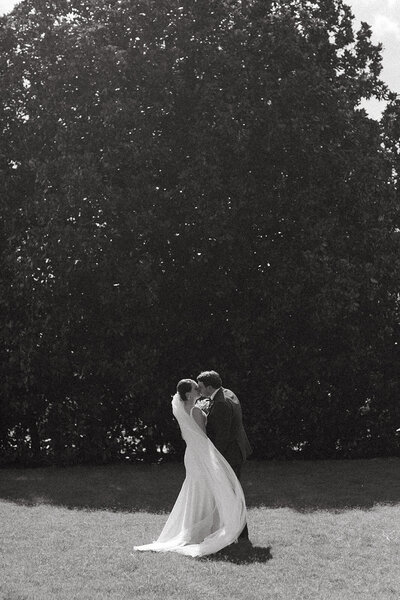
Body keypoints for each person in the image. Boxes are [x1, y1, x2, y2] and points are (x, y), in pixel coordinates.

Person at [133, 379, 247, 557]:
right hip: (200, 454)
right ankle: (206, 529)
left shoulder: (184, 410)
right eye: (195, 388)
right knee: (206, 489)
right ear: (188, 394)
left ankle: (198, 528)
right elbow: (203, 436)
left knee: (198, 490)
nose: (198, 389)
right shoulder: (194, 410)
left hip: (192, 454)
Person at [197, 370, 252, 540]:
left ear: (209, 387)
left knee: (231, 494)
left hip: (230, 454)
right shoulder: (227, 392)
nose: (199, 391)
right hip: (237, 449)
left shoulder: (220, 403)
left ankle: (240, 534)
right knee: (233, 492)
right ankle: (238, 532)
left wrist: (215, 459)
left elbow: (223, 435)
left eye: (200, 387)